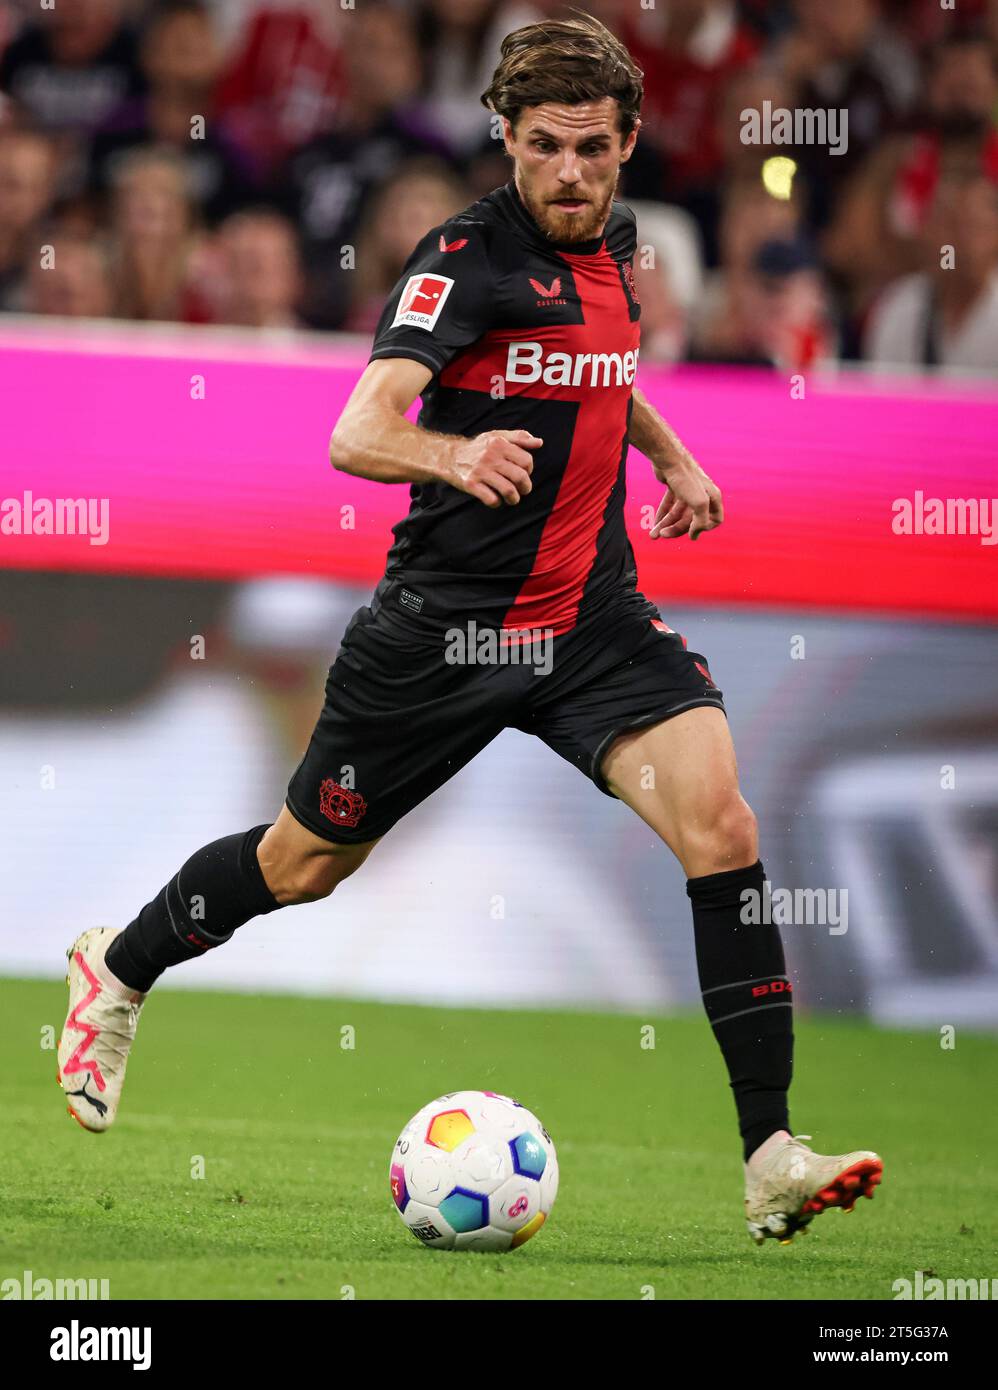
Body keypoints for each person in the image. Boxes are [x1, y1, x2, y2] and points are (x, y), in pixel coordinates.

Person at [58, 11, 883, 1247]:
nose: (567, 174)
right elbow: (356, 430)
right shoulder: (461, 259)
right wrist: (451, 452)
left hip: (591, 622)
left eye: (592, 150)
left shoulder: (611, 243)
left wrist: (670, 454)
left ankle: (768, 1155)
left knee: (721, 824)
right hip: (443, 632)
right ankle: (118, 968)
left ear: (628, 142)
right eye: (543, 148)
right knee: (306, 865)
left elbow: (598, 364)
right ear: (503, 136)